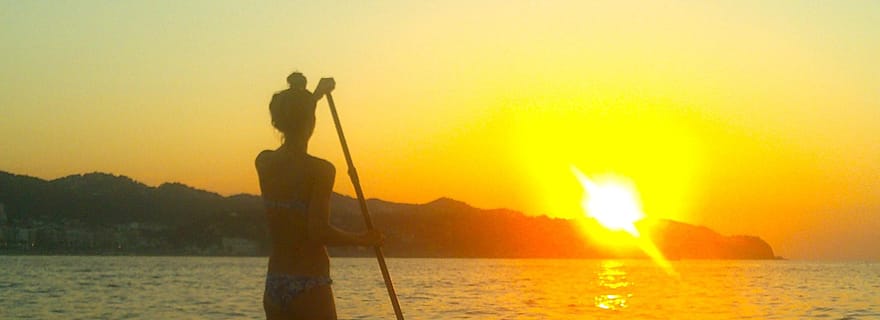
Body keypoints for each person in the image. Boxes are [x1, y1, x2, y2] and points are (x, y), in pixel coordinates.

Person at [256, 72, 383, 320]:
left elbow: (297, 115)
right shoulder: (321, 170)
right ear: (312, 122)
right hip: (310, 283)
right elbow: (318, 232)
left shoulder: (264, 162)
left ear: (276, 121)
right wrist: (365, 239)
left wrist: (314, 96)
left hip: (275, 284)